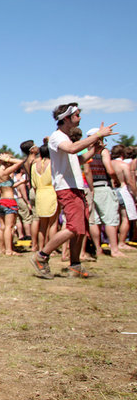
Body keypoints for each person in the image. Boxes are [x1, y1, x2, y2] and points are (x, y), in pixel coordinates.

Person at [30, 103, 117, 279]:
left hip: (75, 186)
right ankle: (41, 256)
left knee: (81, 227)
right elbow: (72, 149)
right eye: (77, 115)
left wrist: (94, 150)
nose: (80, 118)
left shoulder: (66, 137)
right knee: (73, 227)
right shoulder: (57, 137)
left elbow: (78, 159)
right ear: (66, 118)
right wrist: (98, 135)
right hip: (67, 187)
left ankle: (75, 265)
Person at [83, 129, 125, 258]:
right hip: (102, 186)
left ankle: (98, 249)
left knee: (94, 221)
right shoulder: (103, 151)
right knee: (110, 219)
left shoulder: (84, 151)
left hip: (89, 188)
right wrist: (116, 180)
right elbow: (110, 169)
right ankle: (114, 250)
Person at [0, 153, 25, 256]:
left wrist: (19, 182)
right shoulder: (5, 172)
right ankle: (9, 250)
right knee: (9, 227)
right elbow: (20, 162)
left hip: (1, 201)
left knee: (2, 226)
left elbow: (7, 185)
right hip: (9, 201)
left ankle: (2, 248)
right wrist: (9, 159)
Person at [31, 144, 58, 252]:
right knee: (53, 224)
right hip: (51, 192)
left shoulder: (34, 166)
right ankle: (51, 249)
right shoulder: (53, 164)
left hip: (39, 194)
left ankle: (41, 247)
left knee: (42, 225)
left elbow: (33, 184)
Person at [111, 144, 137, 251]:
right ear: (122, 154)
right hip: (123, 190)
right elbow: (129, 181)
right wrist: (135, 194)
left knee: (114, 219)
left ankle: (113, 242)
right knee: (125, 218)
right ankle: (121, 242)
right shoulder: (123, 165)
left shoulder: (109, 163)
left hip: (112, 190)